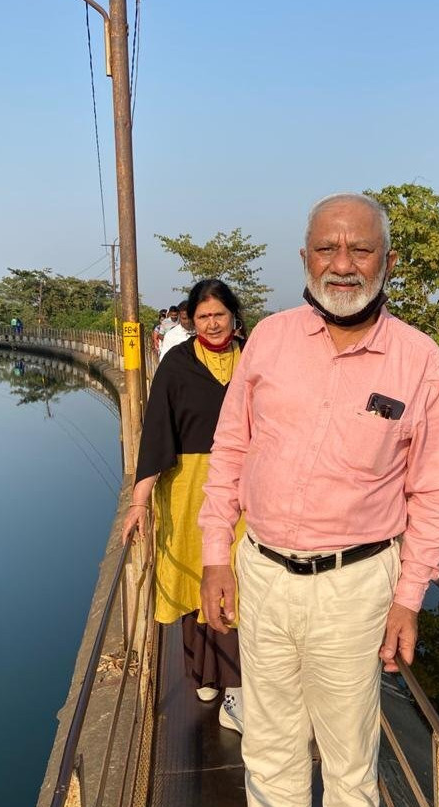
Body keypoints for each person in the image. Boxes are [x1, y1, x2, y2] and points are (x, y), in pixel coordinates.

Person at [200, 193, 439, 806]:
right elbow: (230, 450)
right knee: (268, 746)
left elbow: (436, 490)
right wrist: (217, 553)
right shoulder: (268, 340)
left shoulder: (420, 361)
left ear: (387, 262)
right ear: (305, 257)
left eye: (360, 248)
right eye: (327, 247)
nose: (342, 263)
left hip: (355, 587)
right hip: (261, 574)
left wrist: (410, 598)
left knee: (349, 761)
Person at [122, 279, 248, 732]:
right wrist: (139, 501)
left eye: (219, 314)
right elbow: (156, 433)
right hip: (187, 488)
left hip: (243, 489)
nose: (213, 324)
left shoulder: (252, 358)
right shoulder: (177, 364)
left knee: (235, 582)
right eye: (203, 317)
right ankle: (203, 673)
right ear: (190, 322)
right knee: (196, 581)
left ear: (234, 315)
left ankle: (236, 691)